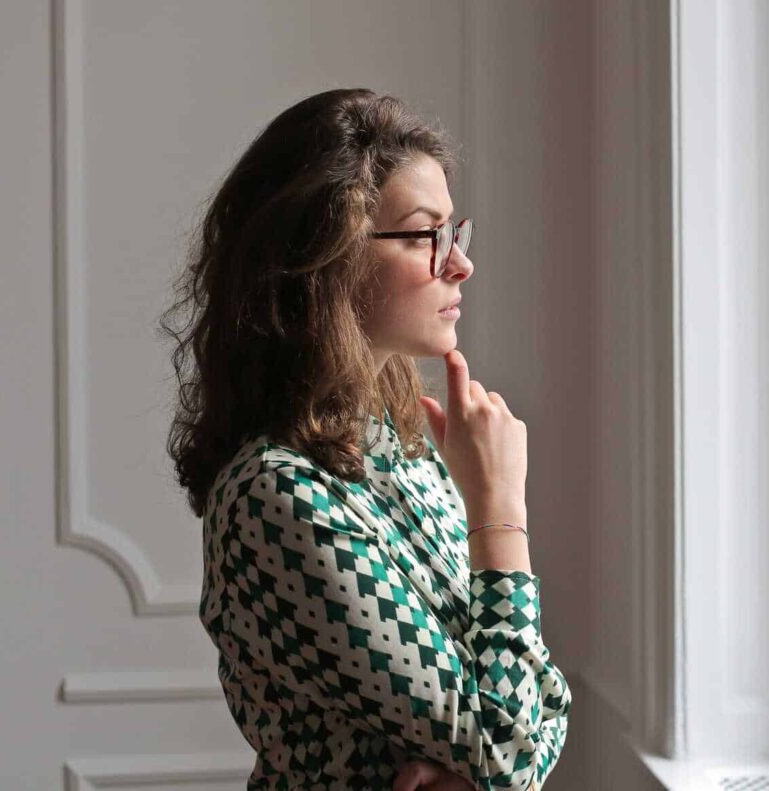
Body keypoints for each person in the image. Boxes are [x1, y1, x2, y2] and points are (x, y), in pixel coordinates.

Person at [160, 88, 571, 790]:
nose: (460, 264)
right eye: (423, 235)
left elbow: (543, 702)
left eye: (455, 232)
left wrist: (485, 767)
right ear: (326, 257)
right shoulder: (277, 494)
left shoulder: (397, 441)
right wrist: (501, 507)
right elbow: (509, 751)